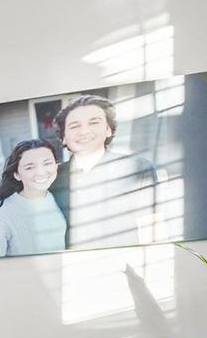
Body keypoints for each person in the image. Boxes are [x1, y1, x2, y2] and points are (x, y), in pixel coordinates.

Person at [51, 92, 164, 250]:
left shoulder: (139, 168)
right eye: (75, 126)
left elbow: (151, 229)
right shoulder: (50, 178)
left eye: (94, 122)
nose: (84, 131)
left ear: (108, 130)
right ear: (63, 137)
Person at [0, 138, 68, 259]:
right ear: (17, 174)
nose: (41, 172)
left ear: (56, 165)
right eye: (29, 167)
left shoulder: (53, 195)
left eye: (47, 163)